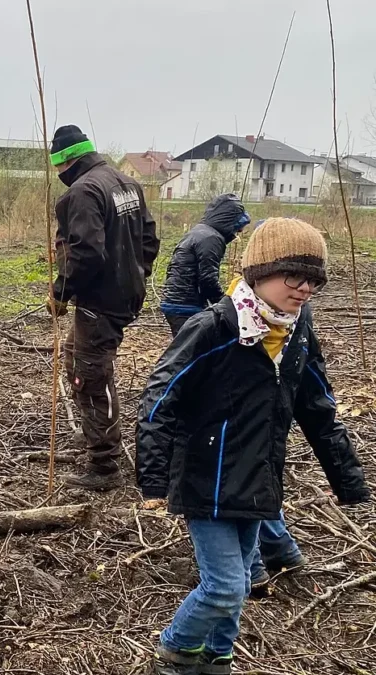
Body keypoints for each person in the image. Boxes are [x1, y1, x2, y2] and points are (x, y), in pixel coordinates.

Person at [137, 217, 370, 675]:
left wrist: (348, 479)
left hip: (260, 477)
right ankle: (176, 649)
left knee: (241, 582)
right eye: (294, 276)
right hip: (208, 478)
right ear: (259, 272)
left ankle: (218, 656)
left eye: (313, 281)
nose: (304, 289)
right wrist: (153, 476)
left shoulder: (299, 333)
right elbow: (160, 396)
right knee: (223, 587)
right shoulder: (214, 328)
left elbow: (318, 410)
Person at [46, 124, 159, 491]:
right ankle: (97, 432)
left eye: (57, 166)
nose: (58, 175)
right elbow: (149, 239)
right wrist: (136, 276)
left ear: (66, 161)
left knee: (90, 375)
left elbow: (86, 252)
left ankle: (104, 463)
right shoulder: (126, 183)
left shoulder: (82, 192)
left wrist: (61, 291)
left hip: (99, 300)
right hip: (124, 294)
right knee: (74, 358)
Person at [161, 194, 251, 336]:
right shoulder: (212, 238)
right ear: (229, 221)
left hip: (176, 300)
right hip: (186, 304)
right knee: (192, 352)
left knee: (186, 348)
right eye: (238, 225)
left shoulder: (199, 232)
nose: (239, 231)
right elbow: (208, 279)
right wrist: (224, 305)